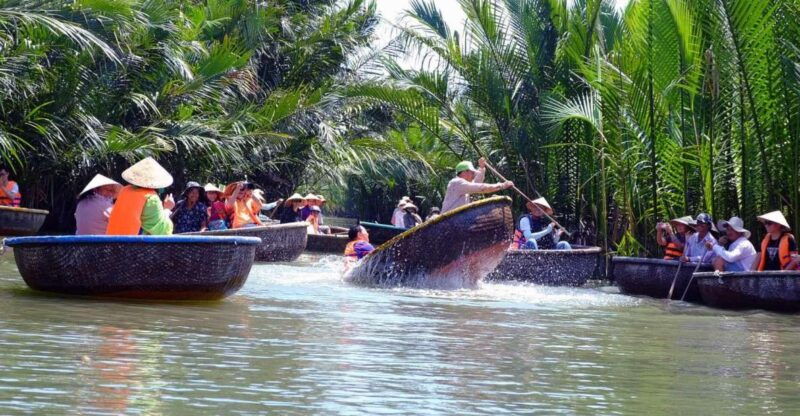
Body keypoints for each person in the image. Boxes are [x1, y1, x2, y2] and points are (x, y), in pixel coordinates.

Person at [107, 157, 175, 235]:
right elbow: (161, 230)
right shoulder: (151, 198)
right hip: (134, 242)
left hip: (113, 239)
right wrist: (167, 209)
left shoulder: (125, 190)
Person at [441, 158, 513, 214]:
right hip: (448, 220)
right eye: (472, 173)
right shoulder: (457, 182)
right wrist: (502, 185)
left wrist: (481, 167)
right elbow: (481, 188)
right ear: (465, 172)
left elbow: (477, 182)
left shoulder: (463, 185)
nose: (473, 175)